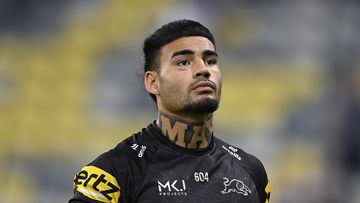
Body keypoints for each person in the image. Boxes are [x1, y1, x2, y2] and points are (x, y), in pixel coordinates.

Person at [69, 19, 270, 203]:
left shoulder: (251, 171)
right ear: (153, 82)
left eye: (210, 61)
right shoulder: (114, 173)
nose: (203, 69)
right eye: (184, 62)